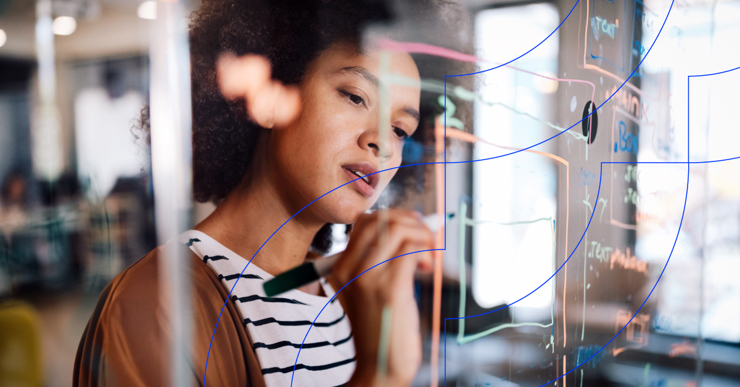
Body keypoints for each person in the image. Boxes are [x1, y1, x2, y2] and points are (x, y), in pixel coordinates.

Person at [74, 0, 473, 386]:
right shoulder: (154, 306)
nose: (382, 143)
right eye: (355, 97)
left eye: (401, 130)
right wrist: (379, 377)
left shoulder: (349, 296)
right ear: (269, 98)